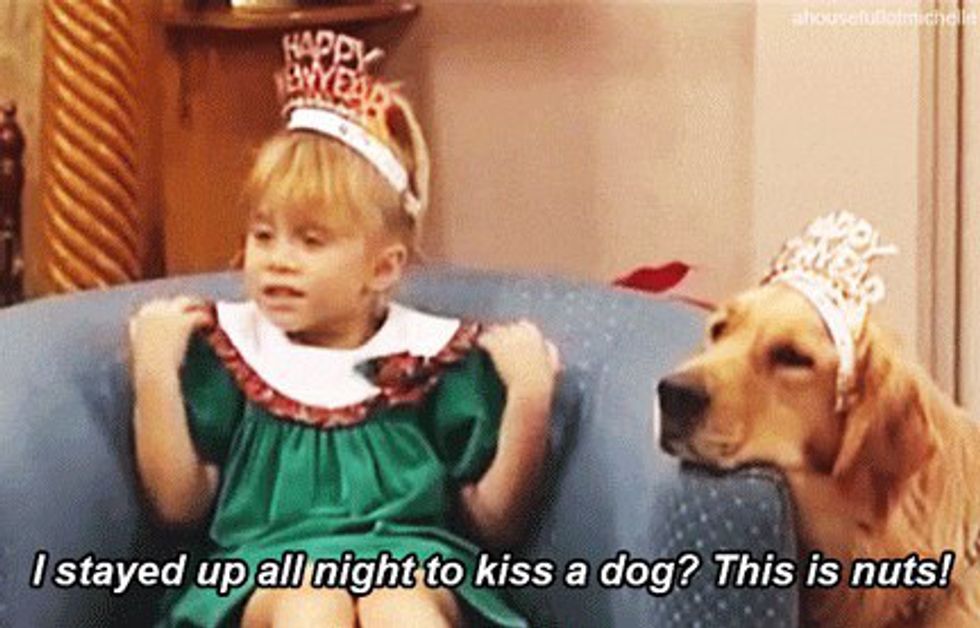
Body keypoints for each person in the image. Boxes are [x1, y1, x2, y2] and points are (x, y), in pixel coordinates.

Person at [129, 29, 560, 628]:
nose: (277, 260)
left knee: (402, 609)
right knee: (312, 606)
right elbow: (180, 506)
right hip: (270, 566)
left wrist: (529, 396)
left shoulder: (430, 357)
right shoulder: (232, 350)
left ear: (382, 268)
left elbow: (494, 523)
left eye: (310, 241)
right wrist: (155, 370)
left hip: (411, 561)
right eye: (263, 235)